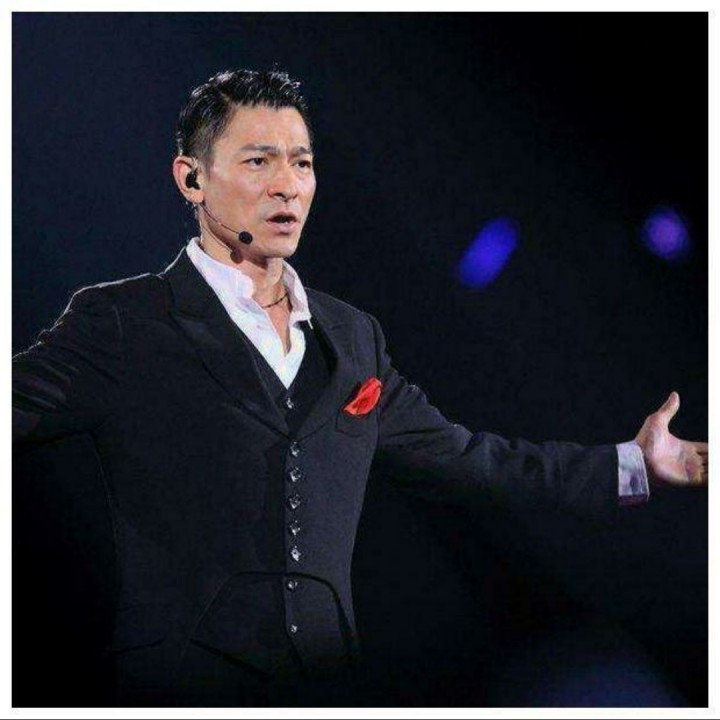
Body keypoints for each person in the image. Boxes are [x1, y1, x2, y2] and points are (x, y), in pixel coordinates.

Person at [12, 68, 708, 707]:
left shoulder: (350, 336)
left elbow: (470, 460)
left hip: (330, 686)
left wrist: (633, 466)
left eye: (302, 162)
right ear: (192, 179)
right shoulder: (125, 322)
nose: (288, 185)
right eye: (258, 161)